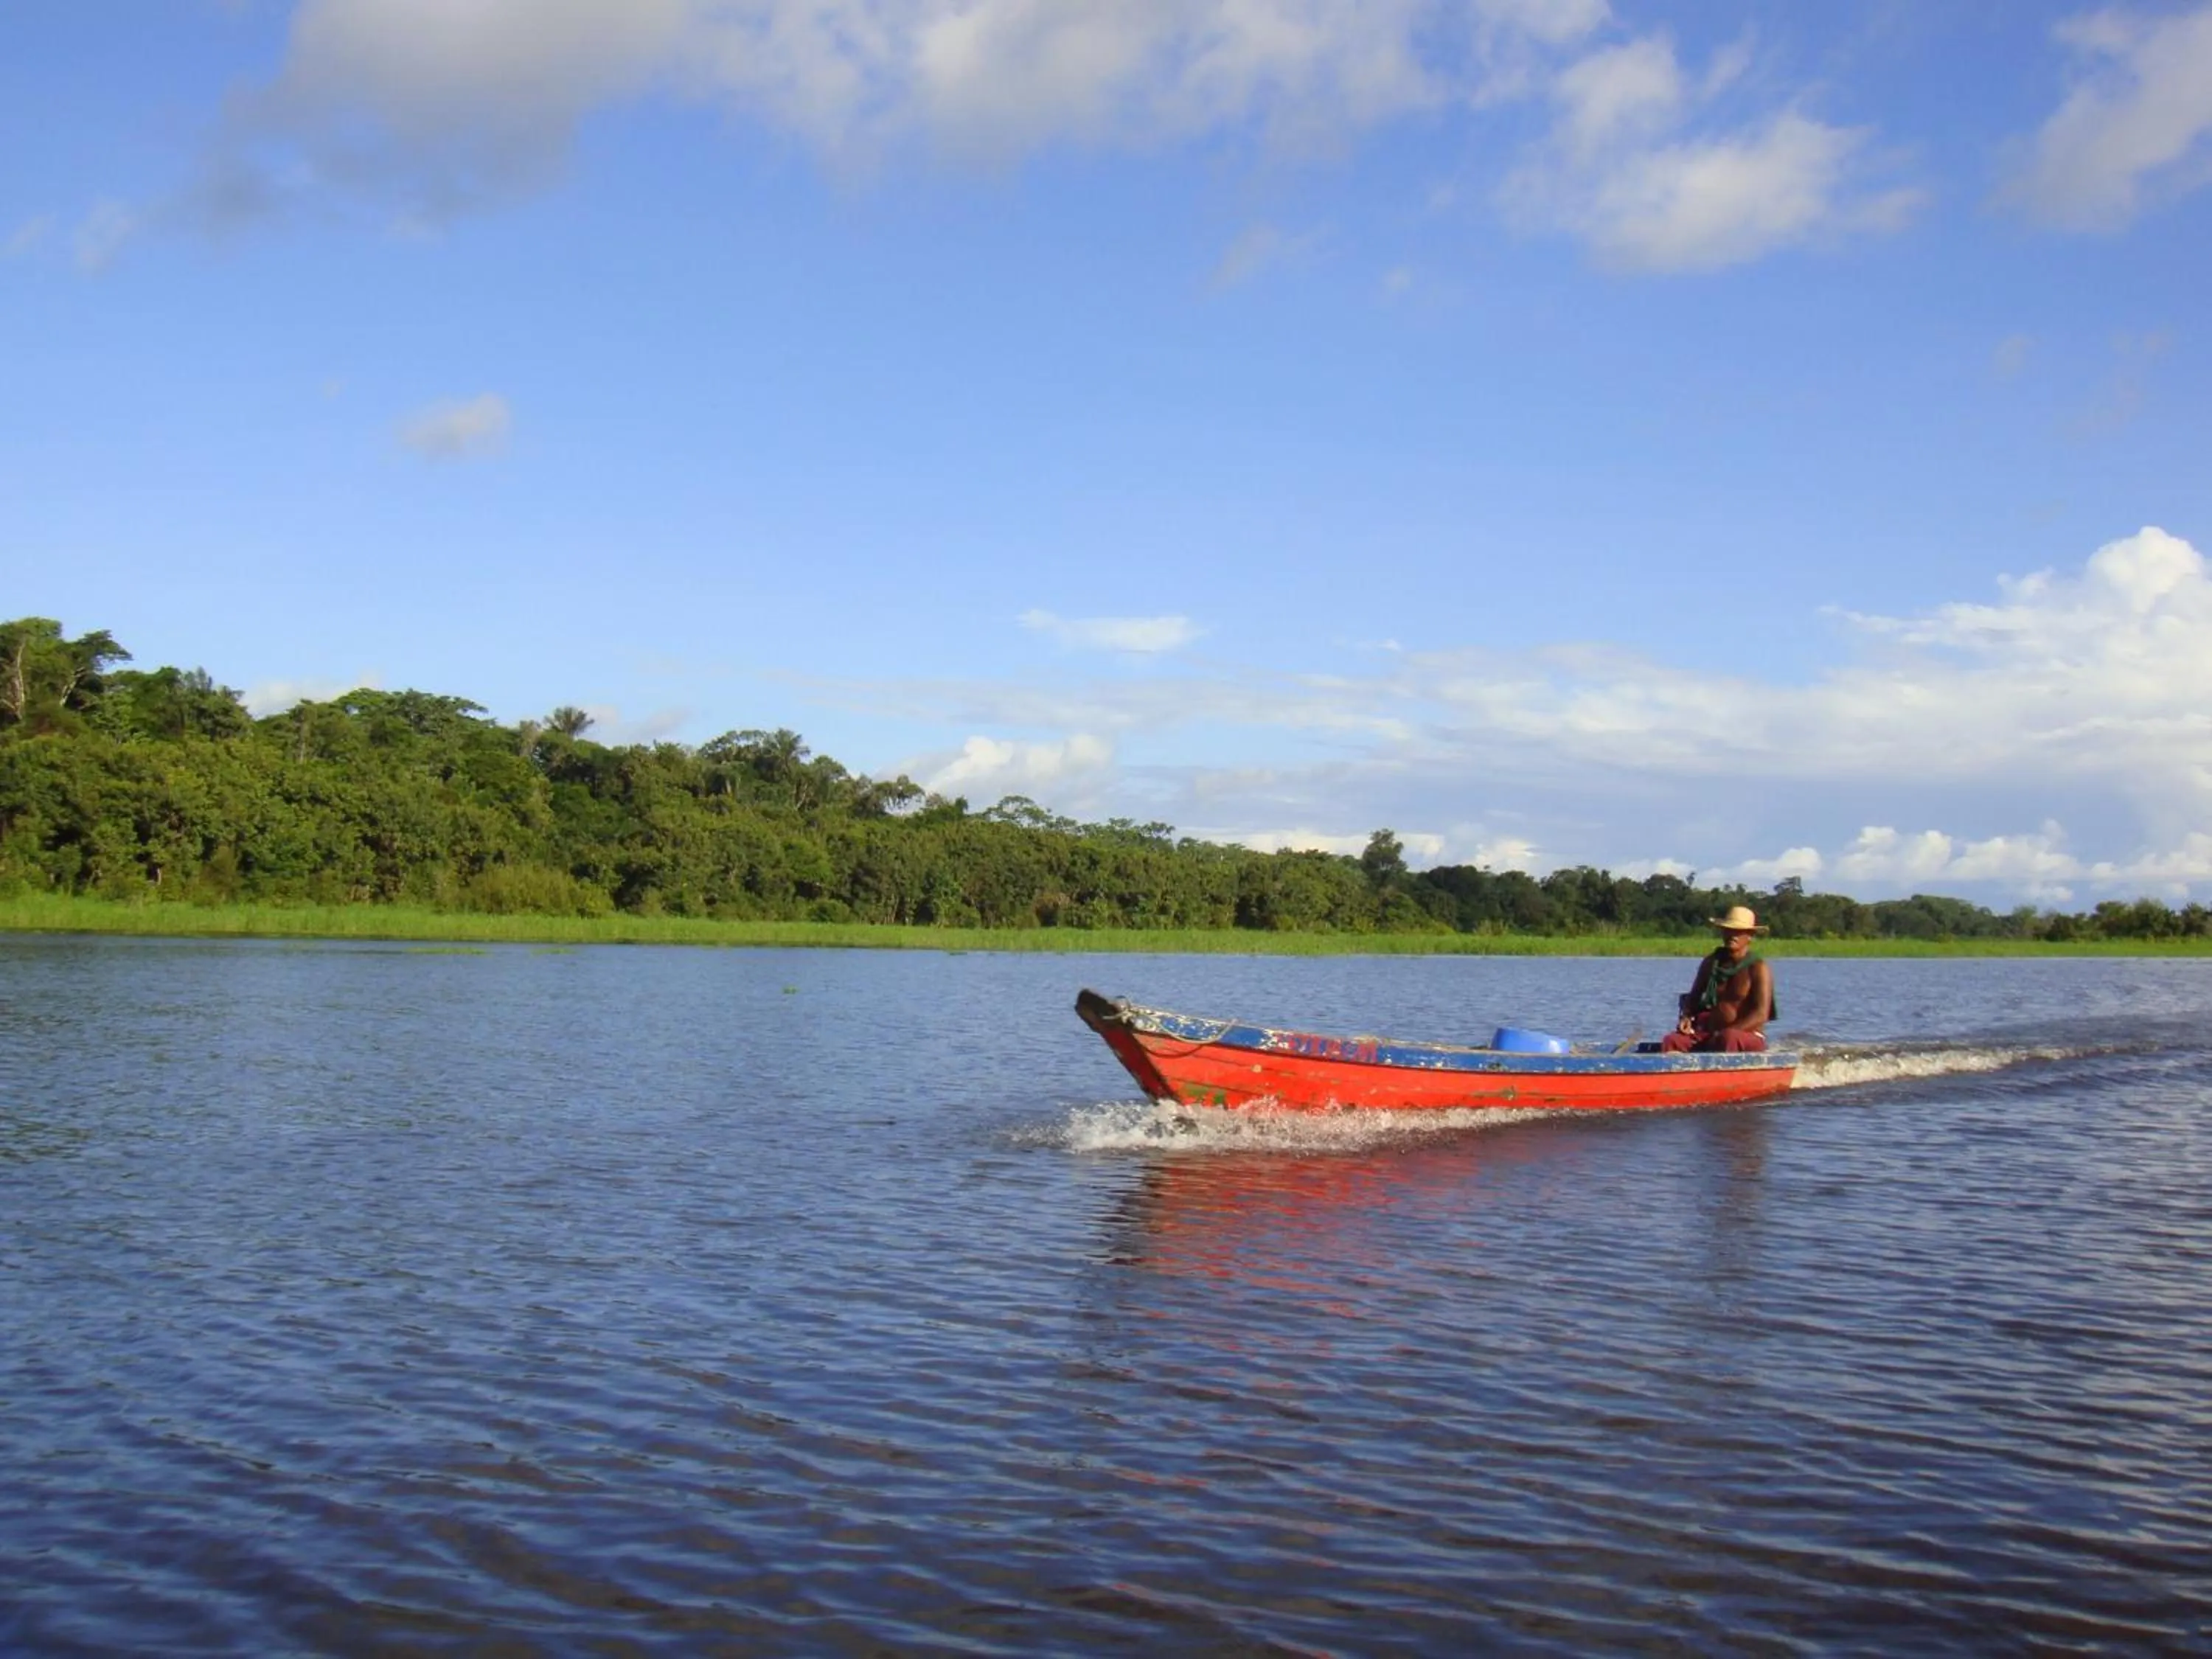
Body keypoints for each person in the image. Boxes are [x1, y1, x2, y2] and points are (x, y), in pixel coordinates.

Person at [1660, 905, 1775, 1053]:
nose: (1732, 935)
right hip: (1710, 1033)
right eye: (1728, 930)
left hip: (1745, 1035)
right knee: (1672, 1041)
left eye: (1738, 932)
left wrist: (1727, 1032)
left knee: (1729, 1038)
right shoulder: (1711, 963)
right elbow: (1694, 997)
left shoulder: (1758, 968)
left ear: (1750, 936)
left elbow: (1761, 1014)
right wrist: (1687, 1017)